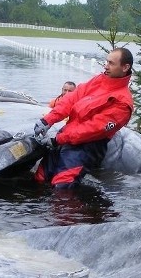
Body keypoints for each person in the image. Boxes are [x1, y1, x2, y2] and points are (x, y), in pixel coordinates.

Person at [32, 47, 134, 188]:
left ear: (125, 67)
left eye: (111, 63)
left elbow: (92, 129)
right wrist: (48, 120)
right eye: (106, 61)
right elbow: (72, 98)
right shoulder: (99, 80)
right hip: (66, 137)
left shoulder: (123, 103)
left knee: (62, 188)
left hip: (86, 148)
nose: (106, 66)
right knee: (40, 178)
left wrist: (57, 140)